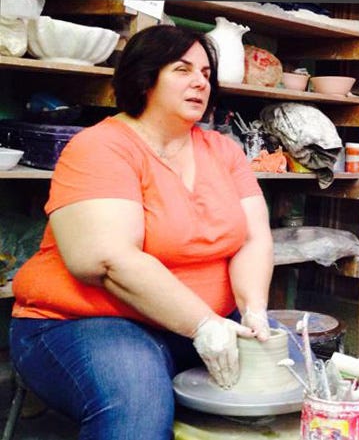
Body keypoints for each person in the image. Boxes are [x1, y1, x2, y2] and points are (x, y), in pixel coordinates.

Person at [9, 25, 276, 439]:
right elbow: (105, 260)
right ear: (144, 77)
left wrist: (254, 309)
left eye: (206, 73)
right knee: (138, 406)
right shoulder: (99, 147)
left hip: (205, 321)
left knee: (292, 371)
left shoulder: (223, 151)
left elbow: (253, 238)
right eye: (182, 69)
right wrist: (203, 324)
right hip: (84, 321)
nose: (199, 82)